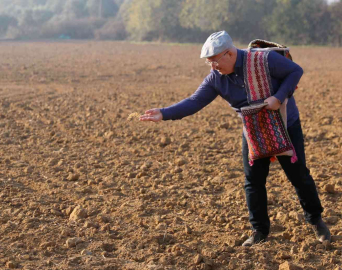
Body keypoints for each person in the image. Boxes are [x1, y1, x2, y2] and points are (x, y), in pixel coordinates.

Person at [139, 31, 330, 246]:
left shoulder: (264, 59)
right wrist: (163, 113)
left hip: (285, 124)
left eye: (214, 61)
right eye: (208, 62)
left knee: (298, 176)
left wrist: (278, 97)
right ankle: (259, 231)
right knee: (254, 181)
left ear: (229, 54)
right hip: (254, 129)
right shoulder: (216, 79)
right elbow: (194, 101)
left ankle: (316, 221)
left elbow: (295, 71)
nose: (212, 66)